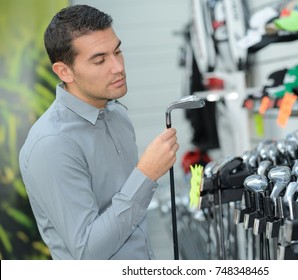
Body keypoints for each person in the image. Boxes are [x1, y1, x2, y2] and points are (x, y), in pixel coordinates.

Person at [19, 4, 179, 260]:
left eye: (118, 51)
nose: (117, 67)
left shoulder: (117, 115)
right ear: (64, 71)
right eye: (100, 59)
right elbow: (88, 252)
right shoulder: (52, 144)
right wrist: (147, 174)